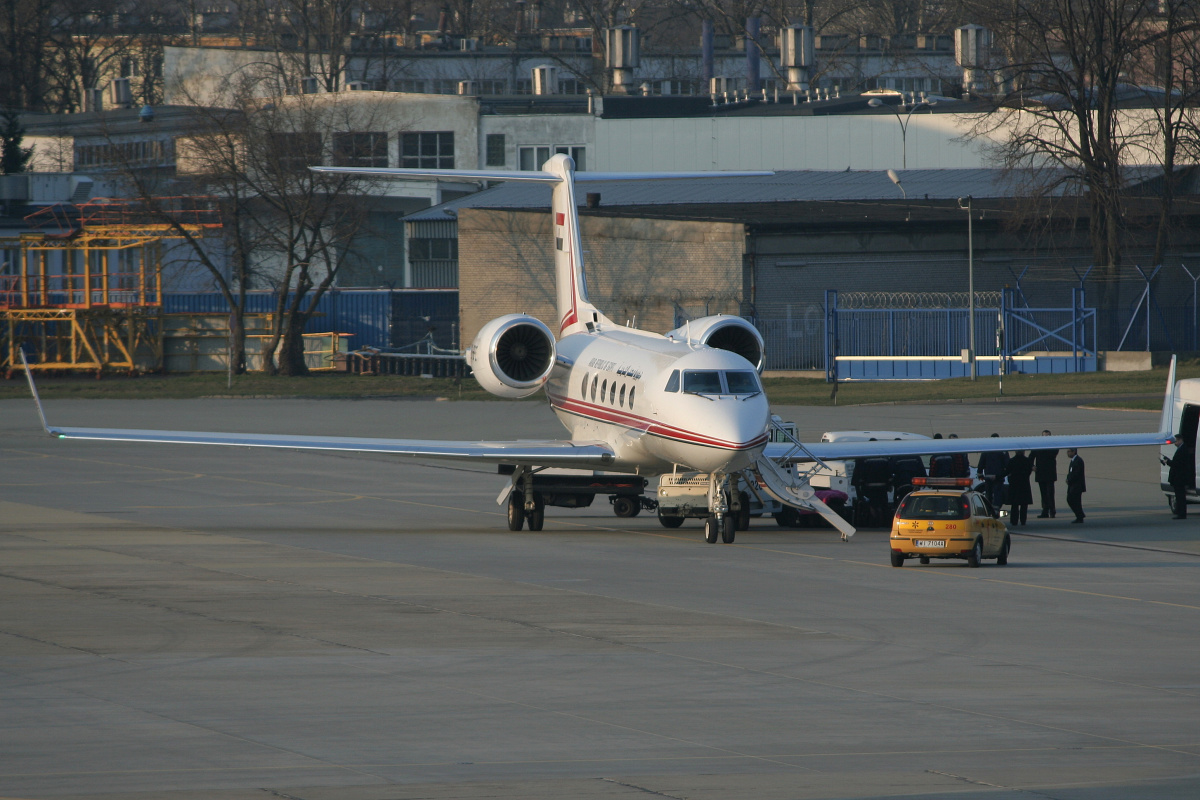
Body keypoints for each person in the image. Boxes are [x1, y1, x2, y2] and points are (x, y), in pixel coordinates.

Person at [976, 434, 1009, 517]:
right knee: (997, 495)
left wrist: (980, 474)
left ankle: (989, 510)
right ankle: (995, 511)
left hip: (988, 477)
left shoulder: (987, 450)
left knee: (989, 494)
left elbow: (981, 463)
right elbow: (1007, 465)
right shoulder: (1003, 450)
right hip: (998, 477)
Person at [1163, 435, 1194, 520]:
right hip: (1180, 477)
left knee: (1180, 497)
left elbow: (1177, 464)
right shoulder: (1182, 449)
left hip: (1180, 478)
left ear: (1180, 440)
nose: (1175, 443)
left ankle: (1181, 514)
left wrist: (1168, 462)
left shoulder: (1182, 450)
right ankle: (1181, 513)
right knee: (1180, 497)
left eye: (1176, 441)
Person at [1033, 430, 1059, 519]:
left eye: (1048, 436)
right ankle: (1045, 511)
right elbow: (1030, 457)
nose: (1046, 438)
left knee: (1050, 494)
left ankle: (1052, 511)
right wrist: (1032, 466)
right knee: (1043, 494)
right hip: (1041, 473)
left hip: (1050, 474)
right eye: (1044, 436)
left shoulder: (1053, 446)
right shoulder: (1037, 446)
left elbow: (1053, 454)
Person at [1005, 449, 1033, 525]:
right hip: (1024, 484)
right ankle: (1023, 520)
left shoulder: (1012, 461)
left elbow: (1007, 471)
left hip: (1014, 484)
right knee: (1024, 505)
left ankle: (1014, 521)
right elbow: (1029, 471)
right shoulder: (1027, 461)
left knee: (1014, 505)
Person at [1066, 448, 1086, 523]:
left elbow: (1076, 473)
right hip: (1073, 485)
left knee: (1073, 500)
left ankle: (1080, 515)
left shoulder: (1078, 461)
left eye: (1069, 451)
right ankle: (1080, 515)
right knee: (1073, 500)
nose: (1067, 453)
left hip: (1076, 485)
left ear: (1074, 452)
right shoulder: (1074, 460)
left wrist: (1069, 479)